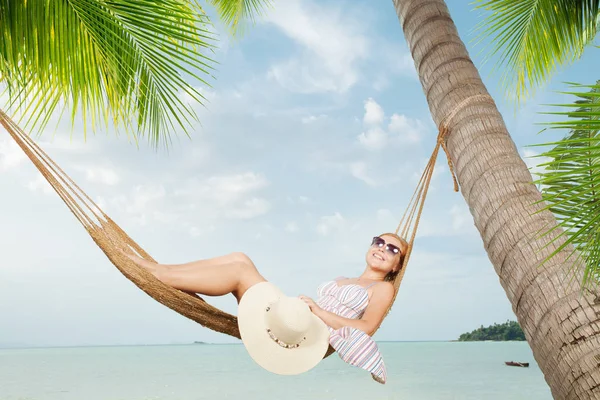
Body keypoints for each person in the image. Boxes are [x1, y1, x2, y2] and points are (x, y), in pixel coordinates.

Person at [124, 233, 408, 384]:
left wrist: (318, 311)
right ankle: (165, 269)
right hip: (293, 317)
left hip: (306, 335)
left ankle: (162, 274)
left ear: (397, 267)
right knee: (240, 257)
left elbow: (367, 328)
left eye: (393, 250)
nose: (383, 248)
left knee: (238, 270)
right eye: (379, 242)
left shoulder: (382, 288)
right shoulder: (344, 279)